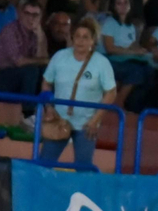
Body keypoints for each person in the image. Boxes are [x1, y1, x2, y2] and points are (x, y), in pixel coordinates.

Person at [39, 17, 116, 166]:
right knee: (44, 165)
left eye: (85, 37)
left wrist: (96, 120)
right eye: (77, 36)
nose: (80, 41)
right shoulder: (60, 57)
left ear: (93, 41)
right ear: (72, 38)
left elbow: (111, 92)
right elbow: (46, 83)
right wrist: (49, 108)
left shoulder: (102, 63)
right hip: (59, 119)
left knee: (83, 169)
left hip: (86, 124)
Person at [0, 0, 46, 125]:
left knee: (45, 72)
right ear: (21, 14)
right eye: (27, 13)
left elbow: (43, 61)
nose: (31, 18)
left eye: (35, 15)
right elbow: (19, 62)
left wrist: (40, 39)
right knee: (31, 70)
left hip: (17, 79)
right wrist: (43, 60)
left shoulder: (37, 33)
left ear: (40, 17)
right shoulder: (10, 30)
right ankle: (27, 115)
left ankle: (48, 112)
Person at [100, 0, 150, 106]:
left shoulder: (131, 26)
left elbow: (131, 45)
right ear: (114, 6)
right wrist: (132, 52)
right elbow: (110, 48)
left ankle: (134, 104)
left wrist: (141, 50)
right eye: (119, 3)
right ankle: (118, 103)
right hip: (111, 60)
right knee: (136, 71)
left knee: (148, 70)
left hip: (125, 59)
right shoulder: (109, 23)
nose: (123, 6)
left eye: (125, 3)